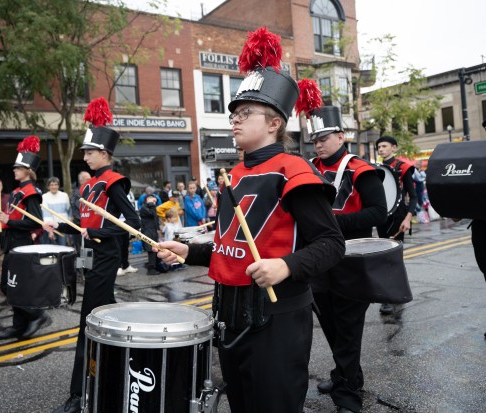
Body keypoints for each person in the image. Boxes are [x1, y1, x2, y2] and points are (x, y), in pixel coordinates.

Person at [157, 27, 345, 413]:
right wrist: (189, 252)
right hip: (228, 311)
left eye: (245, 114)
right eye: (234, 114)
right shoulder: (235, 174)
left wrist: (285, 266)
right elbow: (232, 245)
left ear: (275, 122)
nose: (235, 121)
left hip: (275, 316)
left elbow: (331, 245)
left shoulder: (293, 171)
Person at [52, 97, 140, 413]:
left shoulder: (115, 182)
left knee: (88, 323)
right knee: (101, 315)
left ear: (104, 153)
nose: (85, 157)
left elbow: (133, 222)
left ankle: (81, 392)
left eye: (89, 152)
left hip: (105, 258)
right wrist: (60, 225)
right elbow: (85, 224)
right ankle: (120, 367)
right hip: (88, 256)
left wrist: (98, 234)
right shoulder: (91, 186)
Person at [309, 105, 387, 413]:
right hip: (319, 259)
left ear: (341, 136)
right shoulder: (308, 167)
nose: (318, 143)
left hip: (352, 260)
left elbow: (377, 213)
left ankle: (348, 396)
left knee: (348, 328)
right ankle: (345, 374)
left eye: (324, 137)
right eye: (314, 138)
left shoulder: (360, 168)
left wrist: (332, 224)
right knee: (331, 325)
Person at [0, 136, 46, 340]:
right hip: (11, 243)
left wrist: (9, 221)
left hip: (21, 244)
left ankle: (36, 315)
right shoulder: (16, 192)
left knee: (14, 285)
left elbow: (36, 222)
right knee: (8, 285)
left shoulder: (30, 192)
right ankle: (19, 325)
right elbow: (10, 217)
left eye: (18, 167)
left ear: (27, 170)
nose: (14, 170)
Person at [375, 136, 417, 315]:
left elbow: (414, 197)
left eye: (384, 146)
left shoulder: (403, 167)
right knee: (383, 256)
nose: (381, 149)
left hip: (399, 217)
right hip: (382, 217)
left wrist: (408, 219)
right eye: (378, 147)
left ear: (394, 148)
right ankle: (394, 294)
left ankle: (390, 298)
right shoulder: (376, 169)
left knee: (393, 258)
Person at [41, 177, 71, 246]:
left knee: (63, 248)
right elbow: (46, 215)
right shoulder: (44, 197)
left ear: (58, 186)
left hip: (63, 227)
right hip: (52, 228)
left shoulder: (65, 195)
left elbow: (68, 211)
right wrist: (50, 230)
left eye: (55, 184)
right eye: (51, 185)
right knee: (52, 250)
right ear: (48, 186)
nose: (54, 187)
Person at [139, 193, 161, 275]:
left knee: (155, 248)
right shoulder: (144, 208)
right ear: (146, 200)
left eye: (154, 200)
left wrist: (158, 229)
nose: (153, 200)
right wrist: (151, 204)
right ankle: (151, 269)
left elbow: (155, 219)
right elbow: (151, 214)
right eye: (151, 198)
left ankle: (154, 265)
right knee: (151, 249)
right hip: (147, 231)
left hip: (153, 231)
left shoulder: (152, 207)